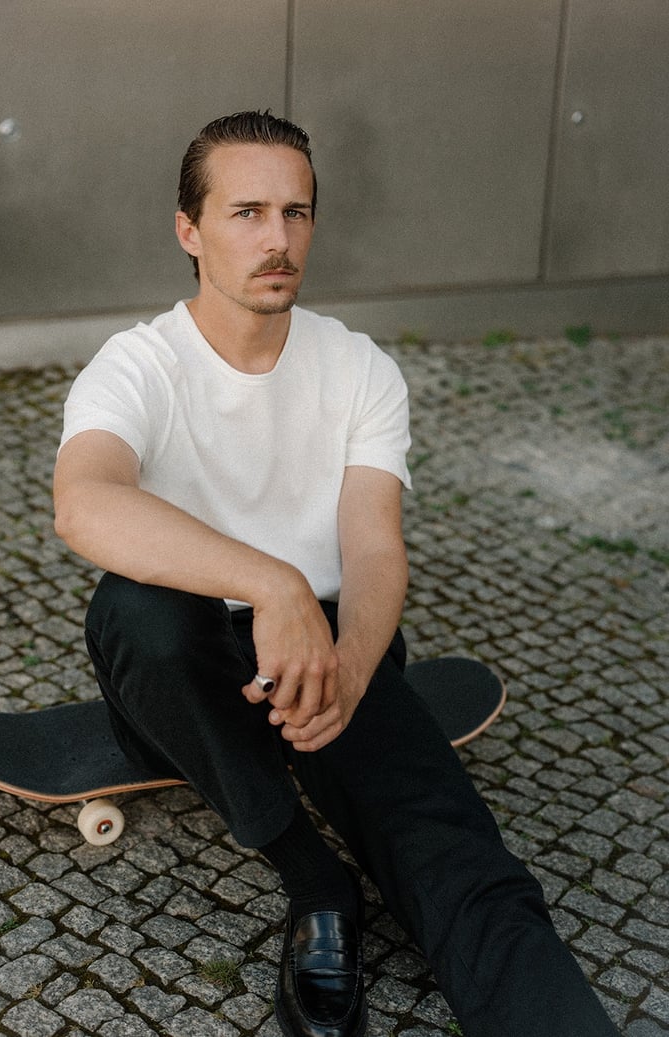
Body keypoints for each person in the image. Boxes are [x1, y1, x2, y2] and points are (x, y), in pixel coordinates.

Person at [53, 111, 620, 1037]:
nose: (277, 239)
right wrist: (271, 582)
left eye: (296, 212)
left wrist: (350, 668)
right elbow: (84, 501)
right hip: (187, 676)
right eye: (246, 212)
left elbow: (373, 550)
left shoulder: (359, 368)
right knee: (139, 611)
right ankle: (314, 880)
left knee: (460, 857)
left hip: (329, 655)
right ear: (188, 230)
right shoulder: (139, 365)